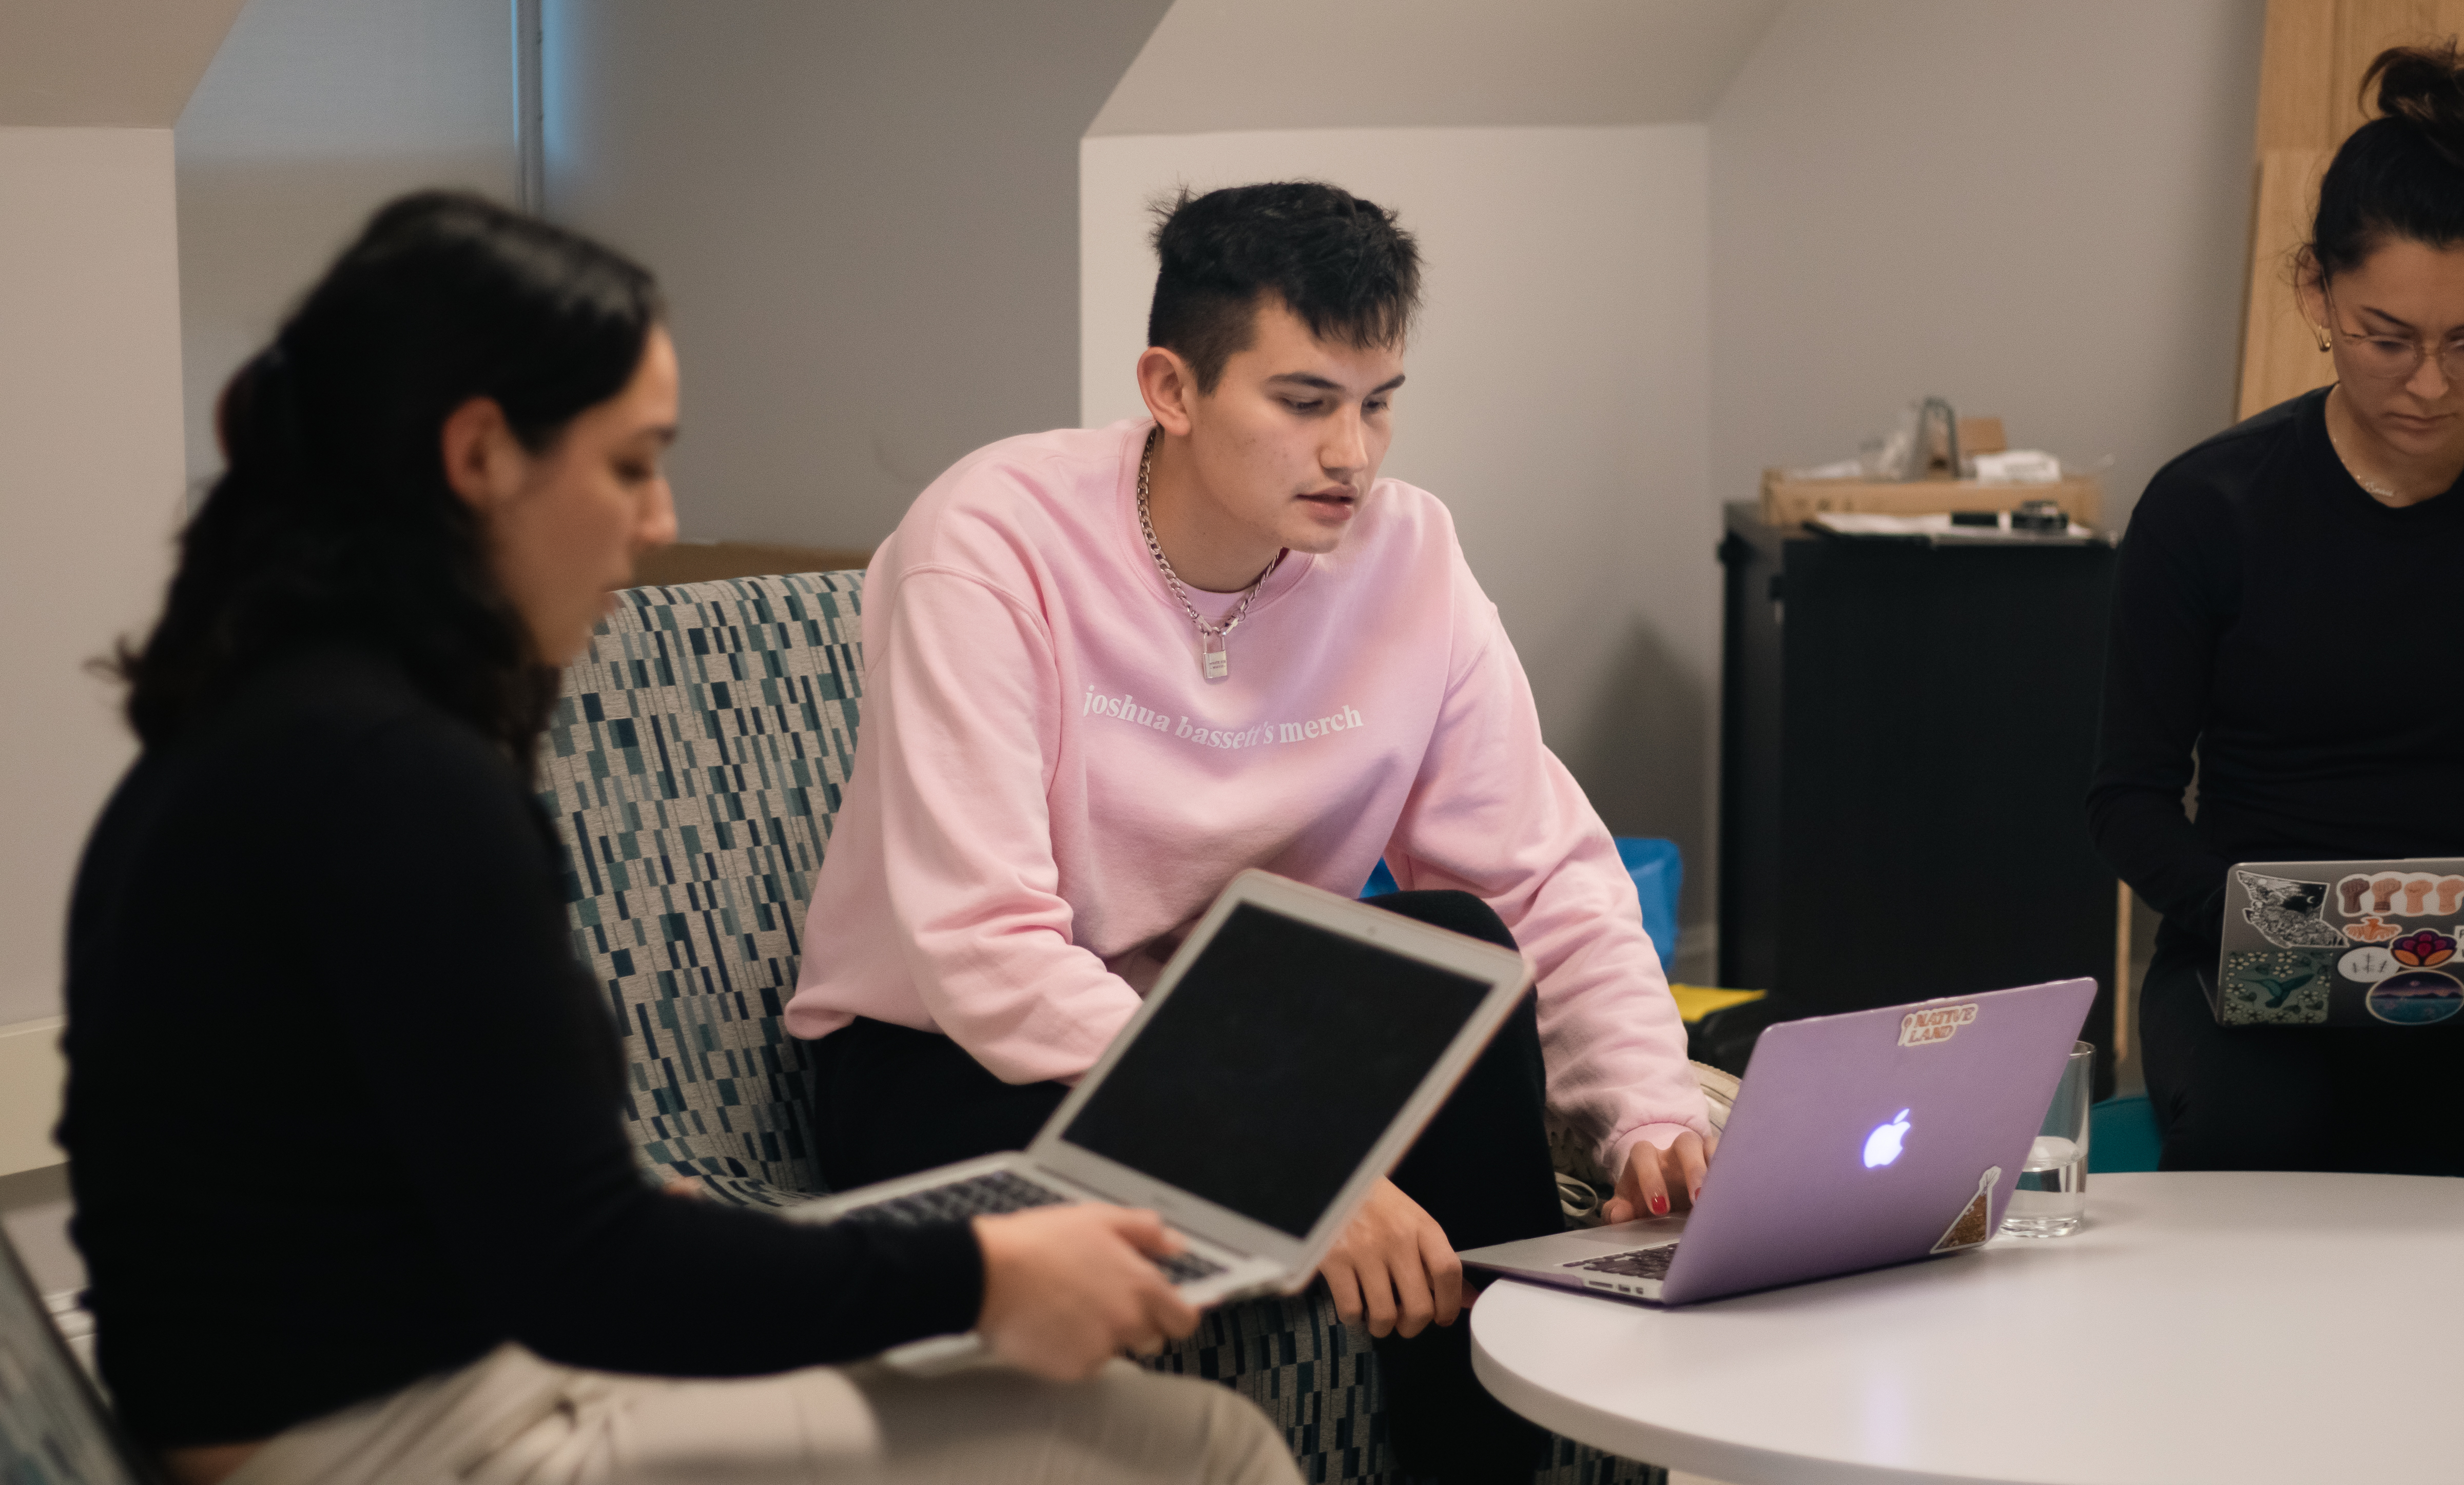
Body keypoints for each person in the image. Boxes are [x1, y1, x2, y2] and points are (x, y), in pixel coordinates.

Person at [60, 193, 1295, 1485]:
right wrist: (985, 1272)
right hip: (402, 1434)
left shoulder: (270, 718)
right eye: (630, 463)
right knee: (1207, 1444)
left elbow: (391, 1178)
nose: (659, 520)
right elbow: (596, 1276)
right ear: (481, 454)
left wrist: (658, 1229)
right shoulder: (400, 781)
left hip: (341, 1382)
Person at [789, 180, 1712, 1483]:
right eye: (1304, 402)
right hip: (956, 1061)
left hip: (1234, 1030)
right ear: (1172, 387)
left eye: (1379, 399)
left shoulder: (1410, 558)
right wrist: (1290, 1158)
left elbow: (1546, 870)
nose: (1354, 453)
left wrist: (1649, 1118)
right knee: (1382, 995)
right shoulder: (989, 540)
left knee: (1460, 937)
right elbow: (981, 947)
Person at [2090, 43, 2464, 1183]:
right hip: (2248, 963)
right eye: (2389, 337)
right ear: (2315, 294)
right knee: (2260, 1135)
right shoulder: (2206, 507)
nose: (2431, 380)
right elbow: (2129, 795)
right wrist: (2270, 922)